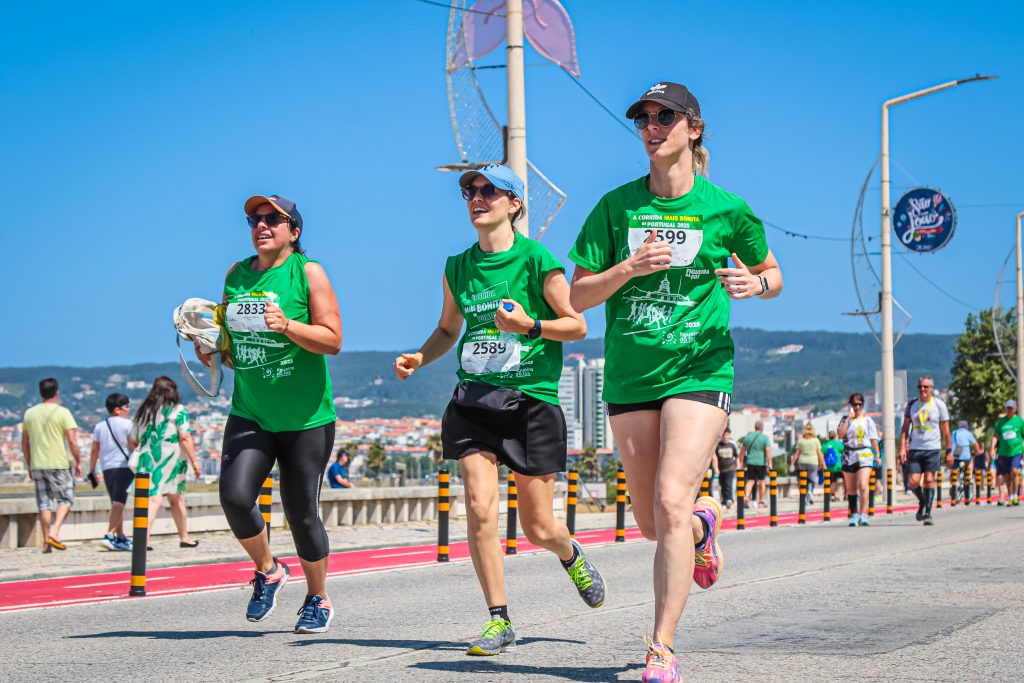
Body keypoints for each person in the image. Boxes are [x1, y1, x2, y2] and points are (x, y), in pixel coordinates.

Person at [567, 81, 783, 682]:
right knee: (651, 522)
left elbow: (772, 275)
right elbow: (575, 295)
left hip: (700, 367)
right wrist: (627, 268)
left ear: (694, 129)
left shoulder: (726, 209)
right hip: (633, 372)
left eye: (666, 116)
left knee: (668, 498)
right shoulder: (615, 207)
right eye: (644, 118)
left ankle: (660, 645)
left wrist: (752, 285)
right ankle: (701, 527)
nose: (652, 126)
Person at [395, 164, 605, 656]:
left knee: (538, 526)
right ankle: (498, 618)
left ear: (514, 203)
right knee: (480, 509)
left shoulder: (537, 261)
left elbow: (576, 326)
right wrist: (421, 356)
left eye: (490, 190)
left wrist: (529, 326)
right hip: (474, 401)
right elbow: (449, 329)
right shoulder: (457, 266)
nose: (477, 197)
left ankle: (569, 552)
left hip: (530, 402)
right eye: (469, 190)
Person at [196, 194, 342, 634]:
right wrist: (209, 348)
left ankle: (318, 597)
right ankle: (269, 569)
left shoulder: (308, 272)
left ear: (293, 231)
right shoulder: (235, 276)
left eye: (272, 220)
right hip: (251, 412)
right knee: (235, 497)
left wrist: (288, 326)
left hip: (306, 419)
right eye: (254, 220)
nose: (261, 226)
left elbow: (333, 339)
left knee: (301, 514)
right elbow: (232, 353)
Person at [128, 377, 202, 548]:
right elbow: (185, 437)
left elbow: (133, 440)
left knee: (152, 499)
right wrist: (194, 461)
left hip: (147, 459)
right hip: (171, 459)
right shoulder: (178, 410)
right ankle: (184, 537)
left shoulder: (143, 411)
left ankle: (143, 538)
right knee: (177, 498)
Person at [20, 378, 81, 552]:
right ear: (57, 392)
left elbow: (24, 442)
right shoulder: (63, 412)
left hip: (37, 464)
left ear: (41, 393)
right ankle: (54, 532)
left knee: (44, 503)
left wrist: (29, 463)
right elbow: (72, 441)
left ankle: (47, 544)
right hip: (58, 463)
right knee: (66, 498)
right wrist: (78, 461)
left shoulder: (29, 413)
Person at [899, 375, 950, 525]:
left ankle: (928, 512)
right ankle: (922, 501)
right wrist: (902, 447)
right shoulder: (912, 405)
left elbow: (946, 430)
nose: (923, 389)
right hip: (915, 448)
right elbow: (904, 428)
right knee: (913, 481)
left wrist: (949, 451)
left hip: (933, 448)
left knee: (929, 480)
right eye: (920, 387)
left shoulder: (939, 405)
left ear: (932, 389)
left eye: (926, 387)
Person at [88, 393, 134, 551]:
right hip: (124, 466)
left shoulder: (100, 426)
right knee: (119, 503)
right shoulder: (128, 425)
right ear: (117, 409)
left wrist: (92, 469)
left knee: (115, 502)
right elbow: (133, 444)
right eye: (126, 407)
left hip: (107, 468)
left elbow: (95, 449)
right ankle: (109, 535)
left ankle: (120, 537)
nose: (128, 409)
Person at [837, 392, 879, 527]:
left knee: (863, 484)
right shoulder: (845, 420)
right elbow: (840, 434)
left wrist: (877, 455)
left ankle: (864, 514)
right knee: (851, 489)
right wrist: (848, 419)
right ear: (851, 405)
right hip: (849, 454)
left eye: (860, 404)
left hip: (865, 454)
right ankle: (854, 514)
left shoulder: (867, 420)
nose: (858, 407)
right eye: (855, 404)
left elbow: (873, 439)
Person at [989, 399, 1023, 506]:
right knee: (1007, 476)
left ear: (1015, 409)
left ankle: (1015, 495)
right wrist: (992, 448)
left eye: (1011, 408)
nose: (1009, 410)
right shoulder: (1000, 422)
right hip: (1003, 452)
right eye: (1007, 408)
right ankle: (1011, 496)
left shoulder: (1019, 421)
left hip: (1016, 451)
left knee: (1014, 471)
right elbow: (995, 436)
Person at [789, 423, 824, 505]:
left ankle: (804, 497)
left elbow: (797, 453)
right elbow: (819, 453)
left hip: (802, 462)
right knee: (812, 479)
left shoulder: (801, 440)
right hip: (813, 462)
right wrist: (822, 463)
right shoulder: (816, 440)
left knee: (802, 480)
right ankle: (810, 491)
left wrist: (792, 463)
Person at [739, 421, 772, 508]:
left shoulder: (748, 437)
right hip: (761, 463)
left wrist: (742, 462)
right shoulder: (765, 438)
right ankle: (761, 502)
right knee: (762, 481)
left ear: (755, 427)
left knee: (750, 481)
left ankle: (746, 497)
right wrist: (770, 463)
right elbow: (768, 451)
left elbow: (742, 450)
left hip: (750, 462)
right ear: (762, 428)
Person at [949, 419, 979, 504]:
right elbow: (975, 444)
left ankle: (953, 486)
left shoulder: (954, 432)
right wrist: (979, 451)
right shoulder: (968, 433)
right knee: (969, 466)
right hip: (965, 456)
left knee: (954, 473)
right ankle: (969, 480)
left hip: (955, 455)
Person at [713, 428, 739, 509]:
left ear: (729, 435)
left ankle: (729, 500)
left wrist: (738, 466)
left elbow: (737, 456)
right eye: (723, 435)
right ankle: (724, 501)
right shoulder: (718, 445)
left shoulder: (732, 445)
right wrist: (716, 468)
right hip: (721, 469)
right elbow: (715, 457)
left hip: (730, 468)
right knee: (722, 486)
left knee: (729, 484)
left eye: (727, 435)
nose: (725, 437)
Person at [822, 429, 845, 500]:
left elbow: (822, 454)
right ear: (835, 437)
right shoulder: (838, 444)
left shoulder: (824, 445)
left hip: (828, 466)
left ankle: (831, 494)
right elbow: (844, 451)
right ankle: (846, 495)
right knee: (843, 479)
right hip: (838, 466)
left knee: (830, 481)